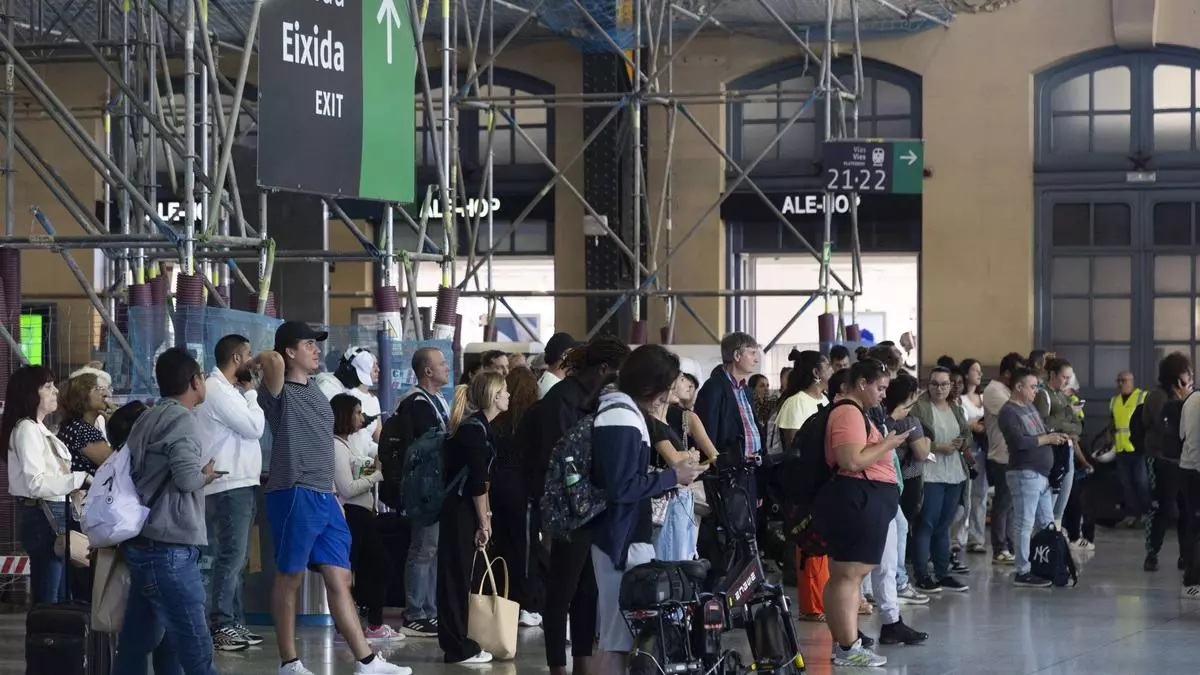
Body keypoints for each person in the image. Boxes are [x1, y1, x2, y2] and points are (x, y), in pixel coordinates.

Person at [258, 320, 410, 675]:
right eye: (308, 344)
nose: (316, 350)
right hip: (294, 489)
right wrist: (258, 360)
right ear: (289, 352)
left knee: (340, 577)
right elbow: (270, 358)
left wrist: (332, 494)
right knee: (290, 577)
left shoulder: (314, 388)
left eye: (316, 344)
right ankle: (289, 662)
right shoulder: (276, 390)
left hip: (323, 494)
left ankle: (366, 661)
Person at [591, 345, 707, 675]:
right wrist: (672, 477)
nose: (671, 392)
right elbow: (622, 487)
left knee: (622, 639)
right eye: (668, 384)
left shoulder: (626, 413)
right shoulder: (621, 417)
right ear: (649, 385)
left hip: (625, 536)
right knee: (616, 641)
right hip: (620, 540)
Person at [117, 347, 221, 675]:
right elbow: (186, 479)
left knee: (137, 647)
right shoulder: (182, 420)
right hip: (170, 550)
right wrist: (205, 476)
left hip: (143, 543)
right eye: (202, 375)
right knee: (196, 649)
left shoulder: (147, 416)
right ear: (194, 381)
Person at [536, 335, 630, 675]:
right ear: (604, 369)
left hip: (593, 508)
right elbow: (557, 462)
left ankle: (582, 662)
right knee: (562, 591)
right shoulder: (563, 399)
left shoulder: (595, 400)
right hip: (568, 512)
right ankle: (557, 665)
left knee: (587, 590)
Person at [817, 359, 908, 667]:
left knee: (847, 576)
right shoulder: (848, 412)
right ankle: (847, 648)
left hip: (864, 499)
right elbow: (851, 460)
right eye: (879, 388)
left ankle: (845, 643)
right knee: (848, 576)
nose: (883, 394)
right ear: (861, 384)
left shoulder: (856, 412)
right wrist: (888, 444)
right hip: (857, 499)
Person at [196, 333, 267, 651]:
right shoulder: (216, 389)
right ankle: (222, 624)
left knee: (238, 558)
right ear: (236, 358)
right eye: (249, 354)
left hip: (241, 482)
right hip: (228, 485)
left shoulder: (229, 391)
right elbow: (254, 427)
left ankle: (234, 621)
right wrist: (252, 393)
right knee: (230, 556)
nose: (252, 361)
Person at [379, 346, 452, 638]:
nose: (447, 367)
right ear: (428, 371)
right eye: (442, 363)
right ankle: (416, 612)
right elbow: (430, 445)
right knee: (423, 548)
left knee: (432, 549)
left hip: (436, 487)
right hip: (423, 490)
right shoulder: (417, 404)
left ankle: (429, 610)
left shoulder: (437, 400)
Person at [438, 371, 509, 665]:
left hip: (465, 509)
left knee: (462, 575)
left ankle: (461, 639)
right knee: (456, 576)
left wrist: (485, 516)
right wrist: (484, 521)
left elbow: (482, 482)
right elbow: (478, 482)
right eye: (504, 391)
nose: (508, 396)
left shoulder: (480, 428)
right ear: (494, 396)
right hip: (460, 511)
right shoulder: (473, 431)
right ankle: (456, 646)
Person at [2, 365, 87, 605]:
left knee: (59, 597)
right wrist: (78, 479)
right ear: (30, 393)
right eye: (48, 387)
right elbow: (36, 483)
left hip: (51, 513)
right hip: (43, 515)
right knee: (49, 599)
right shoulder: (27, 429)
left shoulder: (37, 428)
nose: (55, 392)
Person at [330, 394, 398, 641]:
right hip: (351, 515)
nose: (362, 418)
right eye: (357, 413)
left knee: (374, 565)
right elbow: (348, 488)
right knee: (358, 568)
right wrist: (376, 476)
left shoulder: (351, 443)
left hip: (363, 513)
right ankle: (351, 625)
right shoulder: (336, 447)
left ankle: (368, 623)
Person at [998, 367, 1071, 588]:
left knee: (1047, 524)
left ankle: (1046, 565)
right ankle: (1022, 570)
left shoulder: (1030, 407)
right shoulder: (1008, 412)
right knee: (1025, 522)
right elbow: (1019, 442)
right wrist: (1048, 439)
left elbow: (1042, 431)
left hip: (1041, 475)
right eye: (1032, 387)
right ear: (1018, 387)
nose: (1035, 391)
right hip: (1024, 473)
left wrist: (1054, 435)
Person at [490, 366, 544, 627]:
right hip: (523, 488)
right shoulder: (534, 418)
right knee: (526, 547)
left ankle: (502, 598)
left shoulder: (498, 420)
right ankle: (526, 604)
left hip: (496, 488)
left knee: (501, 544)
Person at [910, 367, 972, 593]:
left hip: (954, 473)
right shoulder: (919, 407)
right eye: (935, 384)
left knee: (944, 525)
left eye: (944, 384)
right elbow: (914, 438)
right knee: (927, 523)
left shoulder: (955, 408)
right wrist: (939, 447)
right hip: (930, 473)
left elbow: (967, 433)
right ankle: (922, 575)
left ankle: (943, 573)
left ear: (951, 386)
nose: (939, 388)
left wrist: (962, 443)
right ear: (928, 385)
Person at [695, 332, 762, 507]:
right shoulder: (713, 388)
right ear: (737, 355)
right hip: (727, 476)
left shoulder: (746, 391)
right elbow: (707, 436)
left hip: (750, 472)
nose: (756, 359)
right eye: (752, 353)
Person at [1140, 352, 1193, 572]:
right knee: (1164, 507)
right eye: (1187, 373)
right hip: (1161, 458)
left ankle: (1186, 554)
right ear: (1176, 376)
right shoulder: (1158, 397)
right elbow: (1169, 427)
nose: (1190, 377)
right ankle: (1152, 552)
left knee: (1186, 508)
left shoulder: (1187, 397)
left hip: (1184, 460)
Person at [1035, 358, 1088, 527]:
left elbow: (1078, 426)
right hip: (1053, 452)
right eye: (1064, 377)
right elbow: (1045, 424)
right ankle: (1044, 534)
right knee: (1051, 498)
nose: (1067, 382)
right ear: (1053, 374)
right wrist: (1066, 414)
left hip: (1068, 450)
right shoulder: (1043, 395)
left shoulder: (1063, 396)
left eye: (1069, 378)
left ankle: (1055, 534)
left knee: (1062, 502)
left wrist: (1066, 424)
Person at [984, 352, 1025, 564]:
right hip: (1001, 455)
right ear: (1007, 373)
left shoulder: (1007, 390)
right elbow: (1016, 413)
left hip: (1013, 455)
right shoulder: (993, 390)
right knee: (1002, 504)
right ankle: (999, 548)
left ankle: (1008, 545)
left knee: (1011, 505)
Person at [956, 358, 988, 555]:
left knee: (980, 495)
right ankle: (958, 537)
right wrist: (972, 424)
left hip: (983, 449)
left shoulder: (983, 398)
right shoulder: (961, 399)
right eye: (975, 370)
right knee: (965, 495)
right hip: (967, 449)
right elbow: (961, 422)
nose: (979, 374)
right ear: (966, 373)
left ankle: (977, 537)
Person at [1111, 370, 1150, 525]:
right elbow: (1113, 422)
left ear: (1132, 381)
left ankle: (1147, 513)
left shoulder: (1142, 397)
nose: (1121, 384)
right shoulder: (1114, 401)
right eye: (1119, 381)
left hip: (1138, 449)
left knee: (1141, 482)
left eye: (1124, 380)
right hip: (1121, 449)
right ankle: (1132, 514)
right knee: (1126, 484)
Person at [56, 371, 112, 475]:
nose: (107, 394)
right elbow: (115, 465)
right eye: (99, 389)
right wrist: (117, 424)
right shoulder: (83, 431)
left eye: (107, 389)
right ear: (82, 395)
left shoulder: (74, 425)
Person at [338, 347, 383, 459]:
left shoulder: (374, 400)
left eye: (376, 364)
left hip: (368, 457)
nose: (377, 369)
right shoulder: (348, 395)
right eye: (372, 365)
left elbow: (378, 436)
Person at [538, 333, 579, 398]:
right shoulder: (555, 387)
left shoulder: (547, 380)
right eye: (573, 351)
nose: (576, 355)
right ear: (564, 355)